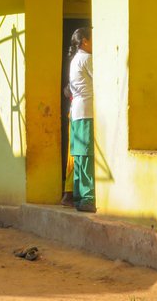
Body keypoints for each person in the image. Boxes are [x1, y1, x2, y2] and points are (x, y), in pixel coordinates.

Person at [67, 27, 96, 213]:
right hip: (86, 110)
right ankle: (88, 197)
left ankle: (79, 195)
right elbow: (100, 80)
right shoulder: (87, 59)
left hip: (77, 111)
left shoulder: (75, 59)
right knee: (85, 155)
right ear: (85, 41)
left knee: (79, 155)